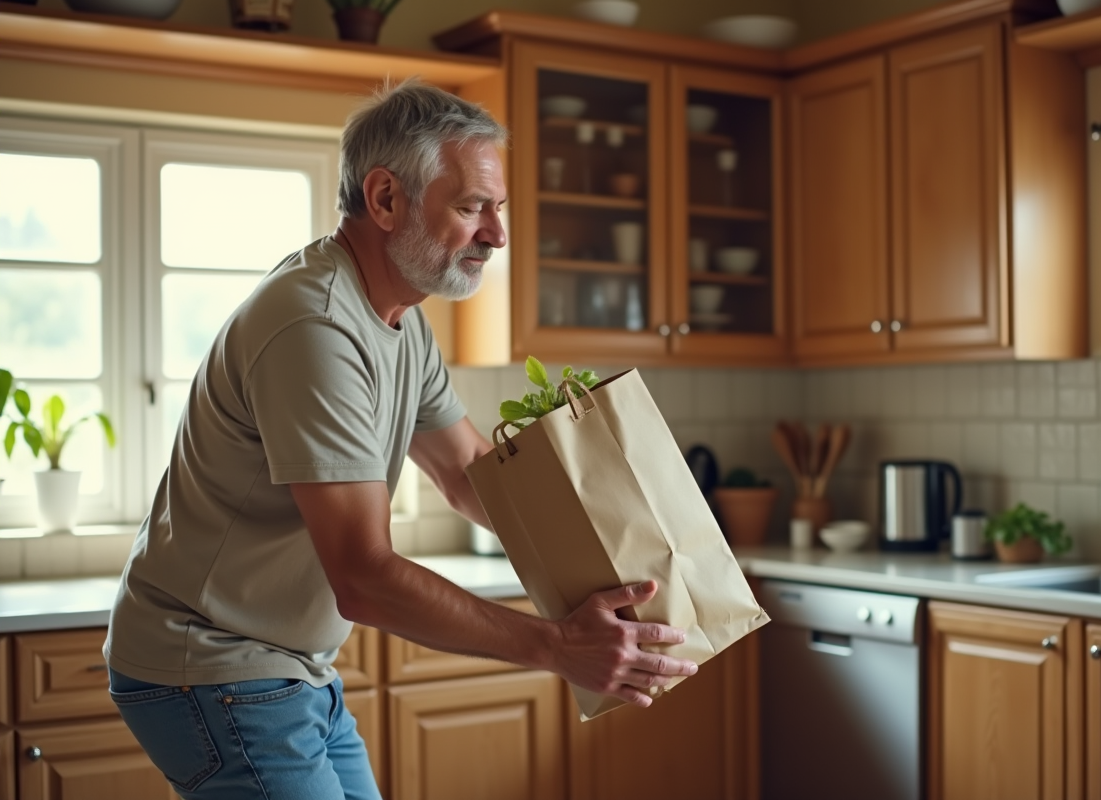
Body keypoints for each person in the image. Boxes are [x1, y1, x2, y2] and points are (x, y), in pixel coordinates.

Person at [103, 79, 696, 800]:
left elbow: (470, 472)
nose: (497, 235)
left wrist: (633, 548)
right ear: (385, 199)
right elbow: (364, 576)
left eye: (498, 208)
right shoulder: (316, 327)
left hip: (288, 666)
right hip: (211, 664)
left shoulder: (399, 318)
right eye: (472, 207)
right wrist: (558, 645)